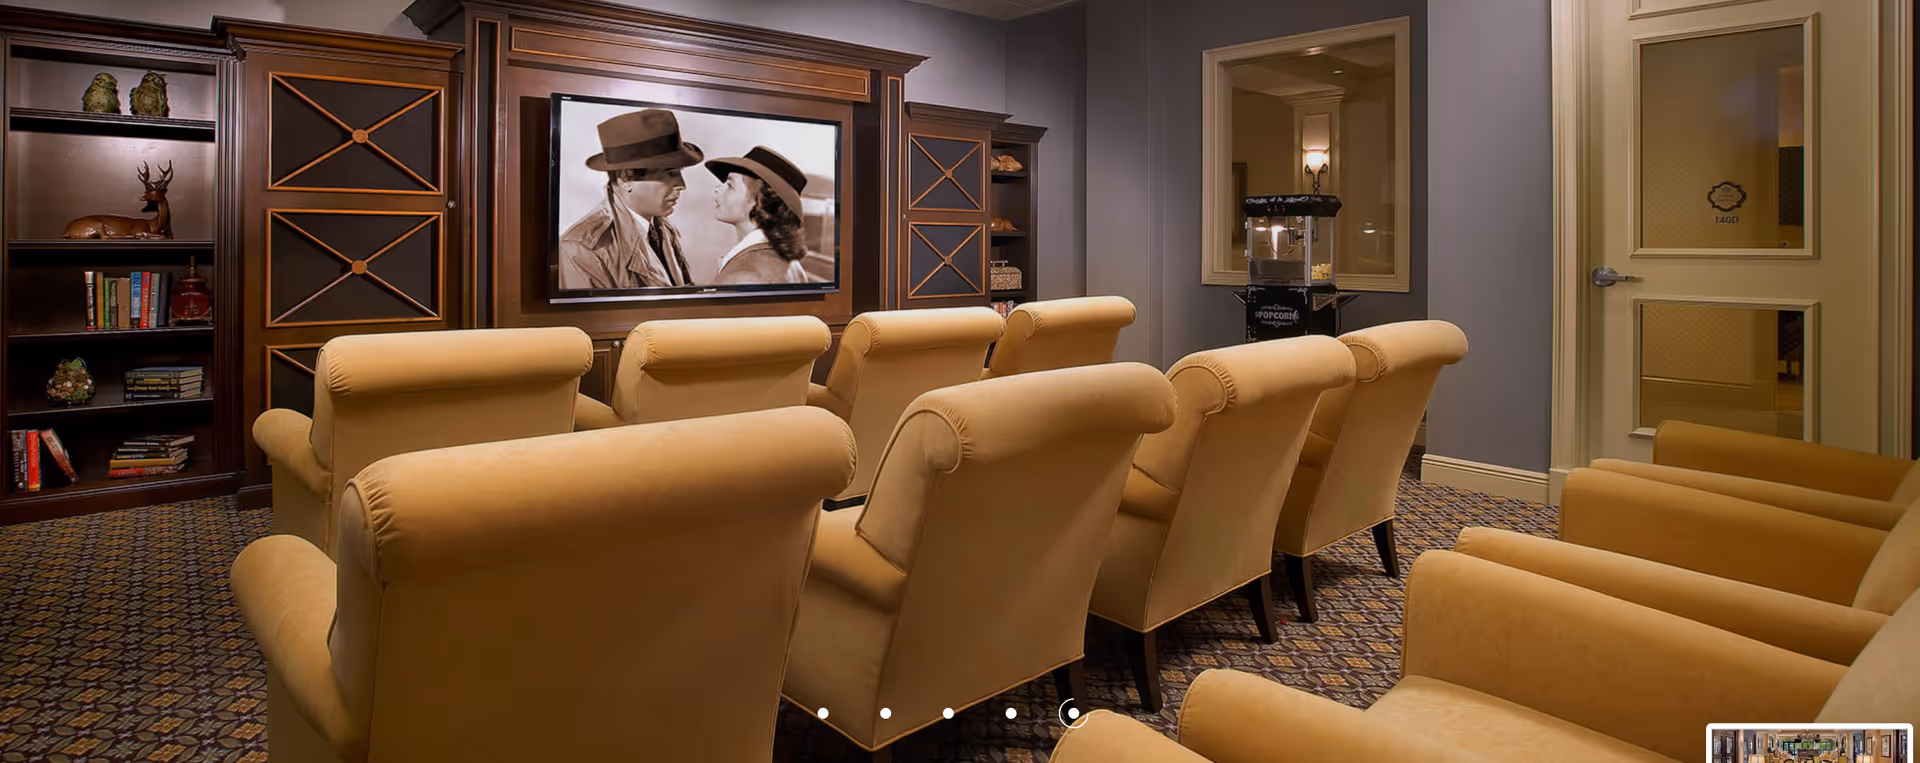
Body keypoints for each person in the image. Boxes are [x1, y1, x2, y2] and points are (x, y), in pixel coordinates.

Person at [557, 109, 701, 290]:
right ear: (625, 178)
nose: (682, 184)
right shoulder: (582, 248)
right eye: (670, 173)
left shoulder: (662, 229)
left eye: (680, 173)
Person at [706, 146, 830, 285]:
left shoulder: (748, 274)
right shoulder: (789, 263)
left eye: (730, 185)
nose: (717, 190)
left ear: (758, 200)